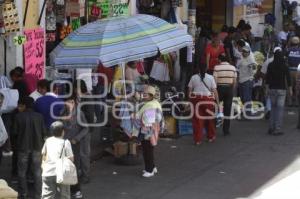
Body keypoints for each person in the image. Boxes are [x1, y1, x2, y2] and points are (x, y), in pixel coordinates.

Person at [12, 97, 47, 199]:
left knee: (22, 172)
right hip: (37, 147)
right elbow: (44, 132)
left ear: (25, 105)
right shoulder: (39, 117)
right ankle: (38, 194)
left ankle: (23, 194)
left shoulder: (18, 117)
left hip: (22, 148)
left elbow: (14, 132)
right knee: (37, 172)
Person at [132, 86, 164, 178]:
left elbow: (147, 121)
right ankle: (152, 167)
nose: (143, 96)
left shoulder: (150, 105)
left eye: (145, 95)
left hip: (148, 131)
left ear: (151, 96)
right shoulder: (154, 103)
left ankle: (149, 170)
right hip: (153, 129)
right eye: (143, 94)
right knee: (149, 149)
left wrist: (134, 116)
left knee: (147, 150)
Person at [60, 95, 88, 199]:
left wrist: (77, 138)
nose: (70, 104)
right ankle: (67, 190)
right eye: (68, 102)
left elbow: (85, 128)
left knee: (73, 168)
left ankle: (76, 190)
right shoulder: (62, 113)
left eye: (72, 102)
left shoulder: (79, 114)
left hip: (74, 144)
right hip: (63, 144)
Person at [41, 121, 74, 199]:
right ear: (63, 132)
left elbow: (44, 156)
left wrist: (43, 166)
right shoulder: (66, 142)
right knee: (65, 196)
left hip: (48, 172)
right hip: (62, 173)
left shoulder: (48, 141)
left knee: (47, 196)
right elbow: (71, 159)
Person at [188, 66, 219, 145]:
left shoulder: (193, 77)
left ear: (198, 69)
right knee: (210, 119)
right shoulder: (210, 77)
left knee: (197, 120)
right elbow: (214, 91)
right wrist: (217, 103)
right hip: (208, 100)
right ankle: (210, 137)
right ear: (206, 69)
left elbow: (189, 90)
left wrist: (189, 101)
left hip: (196, 99)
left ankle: (197, 140)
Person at [266, 48, 292, 135]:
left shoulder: (270, 65)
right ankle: (277, 129)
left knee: (273, 108)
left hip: (272, 89)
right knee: (279, 110)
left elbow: (267, 79)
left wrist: (266, 89)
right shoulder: (284, 65)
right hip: (281, 90)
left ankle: (271, 127)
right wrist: (290, 90)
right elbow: (288, 79)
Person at [74, 80, 94, 184]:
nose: (74, 90)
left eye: (76, 88)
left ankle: (86, 176)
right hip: (78, 129)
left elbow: (89, 115)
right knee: (79, 153)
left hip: (85, 129)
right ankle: (81, 173)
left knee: (84, 154)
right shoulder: (78, 98)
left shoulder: (87, 98)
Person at [213, 55, 237, 136]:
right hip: (229, 89)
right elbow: (234, 81)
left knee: (215, 108)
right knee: (227, 110)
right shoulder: (233, 68)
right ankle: (226, 130)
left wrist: (214, 92)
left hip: (219, 89)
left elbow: (214, 82)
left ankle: (213, 128)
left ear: (220, 60)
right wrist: (232, 90)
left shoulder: (216, 68)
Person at [237, 46, 257, 118]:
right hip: (241, 80)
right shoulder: (241, 59)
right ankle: (245, 111)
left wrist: (251, 68)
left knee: (246, 97)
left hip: (248, 80)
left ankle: (248, 113)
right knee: (242, 97)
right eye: (243, 51)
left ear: (248, 53)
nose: (244, 53)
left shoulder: (251, 60)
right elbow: (238, 68)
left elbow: (254, 70)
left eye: (246, 52)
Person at [286, 36, 300, 106]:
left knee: (290, 86)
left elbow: (285, 60)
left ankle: (290, 102)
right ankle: (296, 102)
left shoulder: (288, 50)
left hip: (289, 70)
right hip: (298, 71)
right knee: (297, 87)